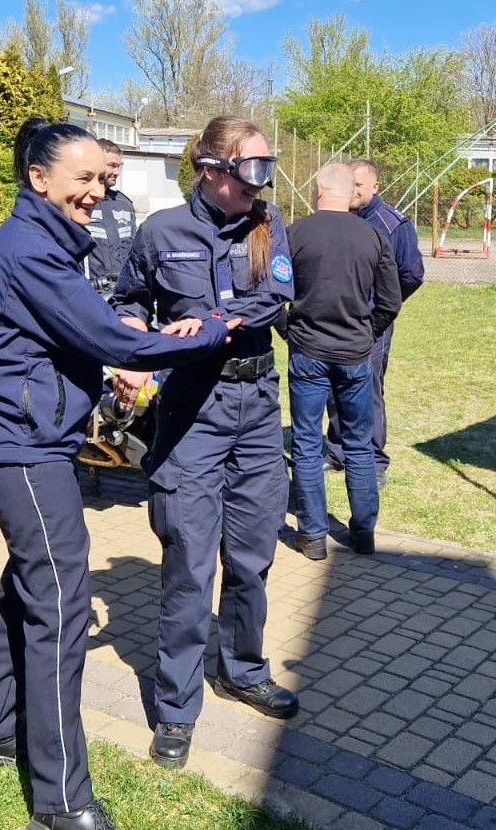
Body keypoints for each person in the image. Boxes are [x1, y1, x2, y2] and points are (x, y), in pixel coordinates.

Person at [0, 117, 238, 830]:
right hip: (23, 452)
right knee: (62, 606)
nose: (97, 190)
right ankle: (60, 806)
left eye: (102, 178)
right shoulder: (30, 249)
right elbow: (113, 340)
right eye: (83, 178)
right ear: (38, 178)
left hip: (29, 441)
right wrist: (207, 333)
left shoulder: (42, 241)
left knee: (30, 587)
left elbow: (74, 336)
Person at [109, 115, 299, 772]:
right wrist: (132, 349)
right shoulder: (160, 232)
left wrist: (211, 324)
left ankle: (241, 670)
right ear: (213, 170)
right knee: (189, 563)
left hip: (256, 406)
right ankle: (176, 707)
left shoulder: (268, 226)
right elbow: (129, 301)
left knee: (251, 556)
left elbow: (274, 300)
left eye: (267, 168)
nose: (260, 183)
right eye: (251, 169)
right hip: (193, 407)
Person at [286, 162, 402, 561]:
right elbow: (390, 300)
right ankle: (363, 532)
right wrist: (367, 334)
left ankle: (313, 536)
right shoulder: (373, 235)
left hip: (308, 353)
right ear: (351, 192)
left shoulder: (296, 233)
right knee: (358, 444)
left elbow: (271, 293)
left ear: (319, 190)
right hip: (355, 355)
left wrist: (289, 330)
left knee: (306, 443)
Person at [322, 158, 424, 489]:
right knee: (335, 385)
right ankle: (338, 450)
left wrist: (381, 309)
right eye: (349, 184)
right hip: (337, 320)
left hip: (371, 323)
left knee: (368, 387)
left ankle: (374, 460)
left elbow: (411, 274)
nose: (352, 191)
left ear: (375, 187)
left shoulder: (392, 225)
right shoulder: (338, 219)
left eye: (359, 185)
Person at [86, 139, 137, 294]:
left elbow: (135, 252)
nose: (117, 172)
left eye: (119, 166)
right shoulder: (81, 202)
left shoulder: (125, 204)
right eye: (112, 166)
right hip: (89, 293)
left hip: (122, 294)